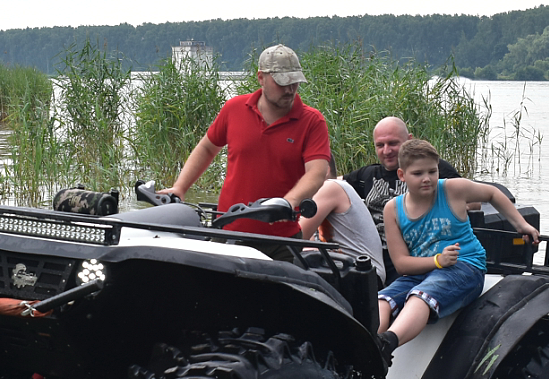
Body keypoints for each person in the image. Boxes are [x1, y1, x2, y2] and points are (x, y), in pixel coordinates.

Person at [376, 139, 538, 363]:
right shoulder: (393, 209)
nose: (427, 178)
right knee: (383, 300)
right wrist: (437, 261)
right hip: (423, 269)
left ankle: (387, 344)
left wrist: (522, 225)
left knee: (419, 297)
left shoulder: (452, 189)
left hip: (465, 266)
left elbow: (492, 193)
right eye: (418, 173)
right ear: (402, 175)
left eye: (432, 171)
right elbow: (402, 264)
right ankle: (369, 344)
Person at [160, 44, 331, 258]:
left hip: (281, 241)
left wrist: (288, 202)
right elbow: (207, 147)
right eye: (282, 82)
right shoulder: (234, 109)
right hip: (228, 232)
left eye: (294, 82)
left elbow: (317, 172)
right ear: (261, 78)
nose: (290, 90)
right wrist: (180, 187)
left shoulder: (312, 121)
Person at [343, 116, 461, 237]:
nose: (386, 151)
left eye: (393, 143)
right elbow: (335, 184)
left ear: (409, 140)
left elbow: (468, 202)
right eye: (380, 145)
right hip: (375, 244)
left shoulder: (433, 168)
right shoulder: (368, 174)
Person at [298, 163, 385, 284]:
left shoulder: (332, 187)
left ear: (324, 170)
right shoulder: (322, 199)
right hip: (345, 273)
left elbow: (297, 236)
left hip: (361, 276)